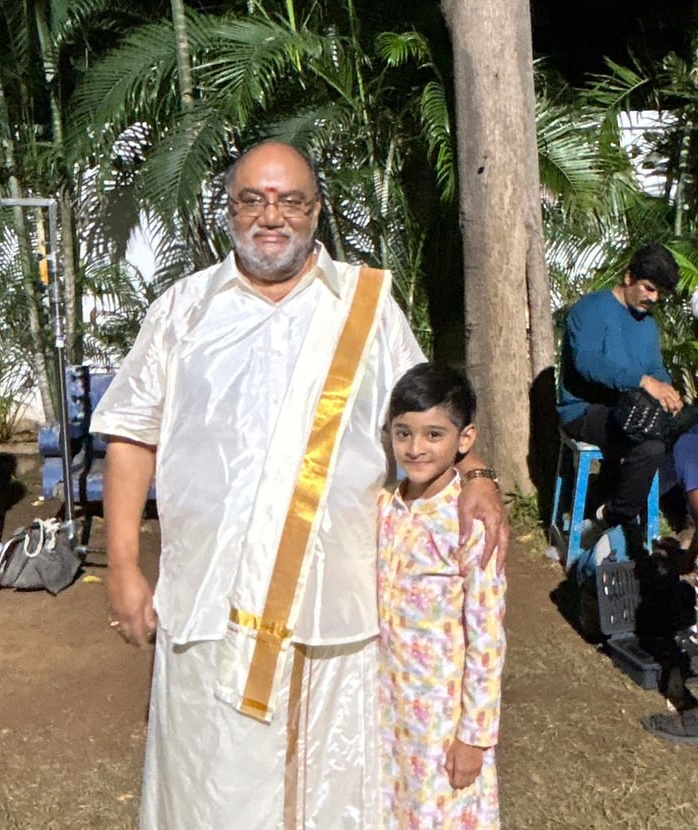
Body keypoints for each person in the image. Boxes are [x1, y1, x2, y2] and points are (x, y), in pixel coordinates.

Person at [90, 141, 507, 830]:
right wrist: (125, 568)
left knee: (329, 798)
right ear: (228, 209)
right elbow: (134, 438)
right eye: (252, 199)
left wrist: (478, 473)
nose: (271, 216)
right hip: (212, 605)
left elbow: (427, 411)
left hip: (336, 612)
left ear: (316, 209)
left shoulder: (367, 307)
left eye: (290, 200)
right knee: (212, 793)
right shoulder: (183, 310)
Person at [378, 363, 506, 829]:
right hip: (387, 711)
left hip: (442, 718)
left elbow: (488, 636)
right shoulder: (385, 506)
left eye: (434, 434)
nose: (415, 448)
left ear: (465, 439)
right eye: (403, 433)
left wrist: (474, 736)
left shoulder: (472, 521)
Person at [557, 243, 682, 559]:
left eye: (660, 293)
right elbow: (587, 363)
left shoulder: (648, 325)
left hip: (629, 409)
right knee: (649, 443)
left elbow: (655, 369)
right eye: (649, 288)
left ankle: (615, 515)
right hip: (584, 410)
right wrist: (643, 382)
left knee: (675, 430)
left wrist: (667, 391)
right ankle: (611, 517)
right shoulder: (589, 310)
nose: (654, 298)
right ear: (629, 278)